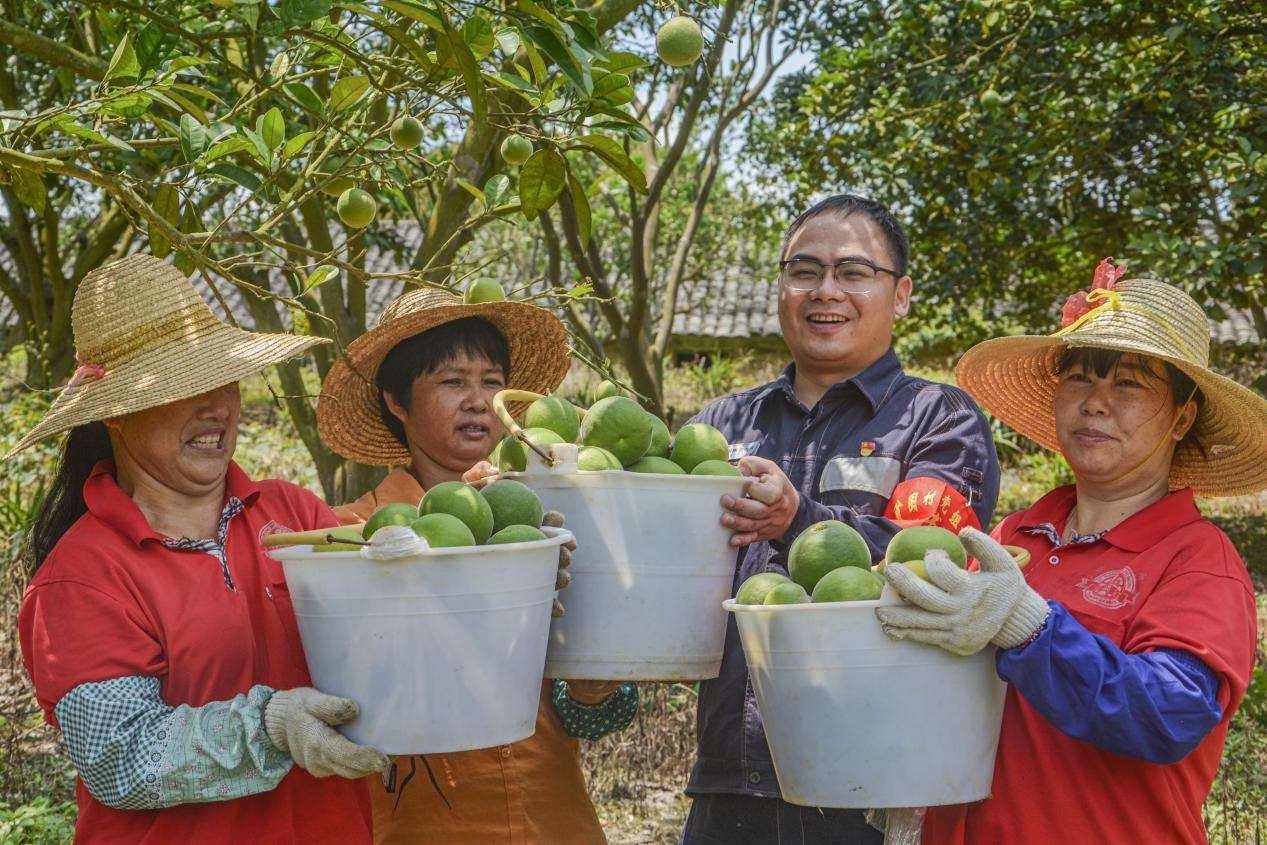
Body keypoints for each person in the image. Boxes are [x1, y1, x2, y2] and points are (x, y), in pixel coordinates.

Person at [877, 261, 1266, 843]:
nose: (1094, 403)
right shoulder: (1012, 537)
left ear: (1182, 418)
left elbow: (1170, 714)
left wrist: (1031, 629)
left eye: (1129, 384)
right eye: (1079, 377)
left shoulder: (1197, 561)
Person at [13, 255, 386, 844]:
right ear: (116, 414)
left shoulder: (295, 515)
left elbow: (382, 648)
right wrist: (268, 727)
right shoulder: (82, 576)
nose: (218, 406)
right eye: (182, 387)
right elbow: (121, 758)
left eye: (224, 380)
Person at [679, 194, 1001, 843]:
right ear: (780, 286)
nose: (825, 290)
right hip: (728, 777)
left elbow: (929, 561)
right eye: (804, 270)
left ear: (900, 294)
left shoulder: (938, 418)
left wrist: (799, 518)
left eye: (853, 272)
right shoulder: (718, 426)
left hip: (870, 782)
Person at [316, 286, 639, 845]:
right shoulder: (353, 535)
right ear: (397, 401)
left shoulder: (551, 520)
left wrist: (594, 686)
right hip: (421, 826)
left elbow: (595, 716)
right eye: (452, 382)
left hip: (552, 817)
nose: (477, 401)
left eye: (491, 382)